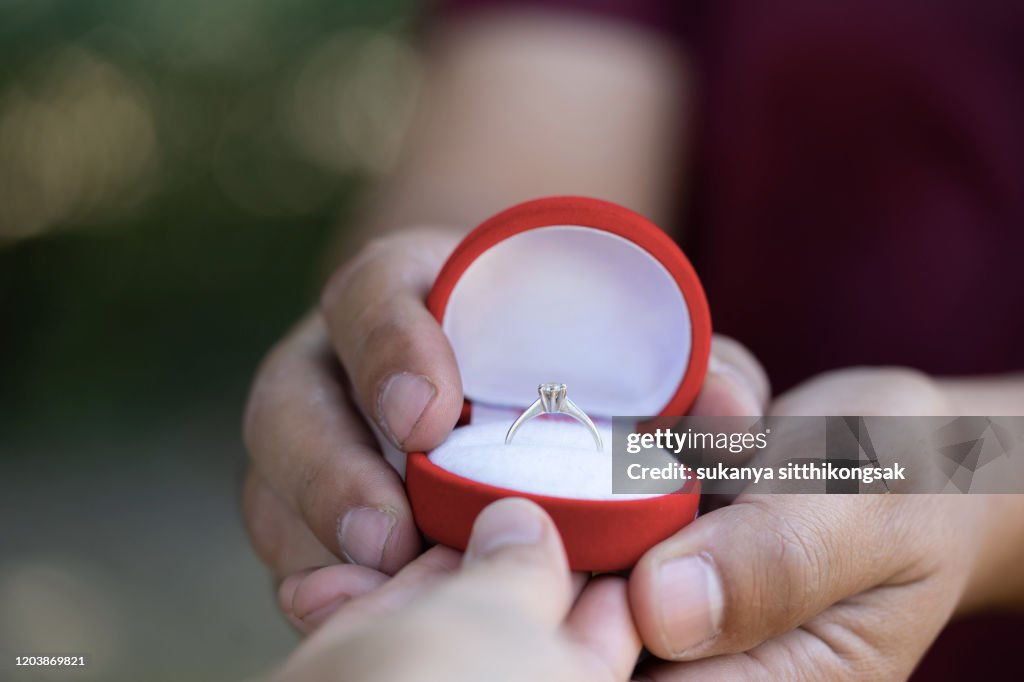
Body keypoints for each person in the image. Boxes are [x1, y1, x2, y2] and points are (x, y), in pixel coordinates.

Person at [243, 0, 1024, 678]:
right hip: (711, 452)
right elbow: (505, 161)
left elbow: (945, 462)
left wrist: (965, 483)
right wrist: (404, 307)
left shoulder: (881, 451)